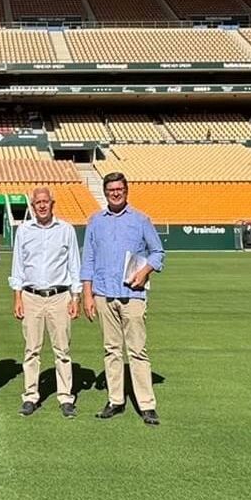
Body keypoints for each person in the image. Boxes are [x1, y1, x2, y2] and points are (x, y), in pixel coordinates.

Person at [81, 171, 165, 426]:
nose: (115, 193)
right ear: (105, 193)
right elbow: (89, 260)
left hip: (133, 295)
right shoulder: (95, 221)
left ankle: (146, 404)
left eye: (119, 189)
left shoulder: (140, 220)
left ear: (126, 191)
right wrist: (87, 294)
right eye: (110, 190)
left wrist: (145, 271)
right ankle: (115, 400)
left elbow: (158, 251)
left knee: (138, 351)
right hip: (104, 295)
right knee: (111, 350)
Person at [10, 186, 82, 418]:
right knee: (31, 350)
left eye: (45, 202)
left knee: (62, 350)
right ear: (32, 206)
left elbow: (74, 264)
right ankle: (30, 396)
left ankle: (65, 397)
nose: (41, 205)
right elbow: (18, 266)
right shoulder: (24, 230)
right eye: (37, 202)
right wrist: (17, 297)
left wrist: (76, 296)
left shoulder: (66, 230)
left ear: (52, 203)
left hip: (60, 297)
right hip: (31, 297)